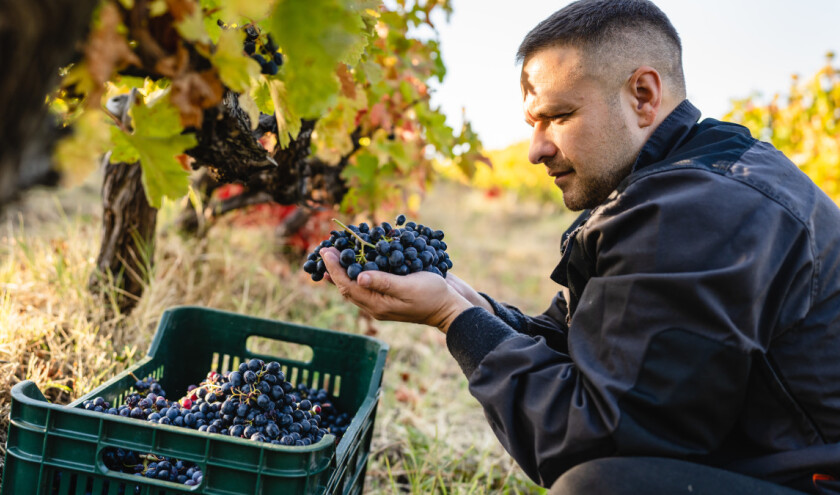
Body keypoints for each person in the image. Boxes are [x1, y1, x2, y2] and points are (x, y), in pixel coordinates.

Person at [320, 0, 840, 493]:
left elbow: (599, 438)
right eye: (532, 124)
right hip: (763, 460)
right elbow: (590, 353)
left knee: (600, 487)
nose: (535, 149)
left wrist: (454, 318)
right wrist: (475, 305)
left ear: (643, 95)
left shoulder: (699, 212)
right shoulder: (674, 185)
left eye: (560, 116)